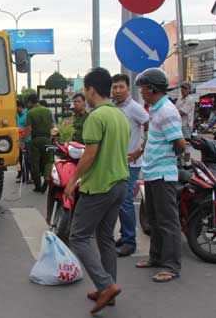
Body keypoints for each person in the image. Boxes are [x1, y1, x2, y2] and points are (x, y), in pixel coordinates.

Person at [64, 68, 129, 314]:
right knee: (104, 238)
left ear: (91, 90)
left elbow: (90, 154)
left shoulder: (96, 117)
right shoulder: (119, 116)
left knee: (78, 237)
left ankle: (106, 285)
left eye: (85, 91)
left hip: (100, 186)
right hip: (120, 184)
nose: (85, 95)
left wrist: (72, 182)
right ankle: (107, 290)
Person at [134, 68, 187, 283]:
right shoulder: (155, 109)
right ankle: (155, 257)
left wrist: (165, 158)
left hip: (164, 175)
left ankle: (171, 266)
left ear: (152, 88)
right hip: (152, 173)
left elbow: (180, 144)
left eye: (144, 88)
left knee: (168, 222)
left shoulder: (167, 111)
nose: (142, 92)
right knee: (154, 220)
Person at [111, 74, 149, 257]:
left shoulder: (135, 108)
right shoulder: (113, 108)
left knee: (126, 201)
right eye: (114, 87)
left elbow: (150, 126)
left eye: (120, 87)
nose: (117, 90)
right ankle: (125, 235)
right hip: (115, 162)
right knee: (118, 201)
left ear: (128, 89)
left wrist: (140, 150)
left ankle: (130, 241)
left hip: (130, 164)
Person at [26, 94, 54, 192]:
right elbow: (52, 127)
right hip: (47, 139)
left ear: (30, 102)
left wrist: (23, 141)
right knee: (48, 161)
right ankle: (46, 179)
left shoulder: (30, 113)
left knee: (35, 163)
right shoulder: (48, 111)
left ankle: (38, 186)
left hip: (36, 140)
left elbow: (29, 130)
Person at [175, 82, 195, 163]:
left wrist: (174, 112)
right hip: (178, 125)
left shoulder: (190, 99)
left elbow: (182, 112)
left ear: (189, 90)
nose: (183, 90)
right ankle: (180, 163)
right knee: (178, 146)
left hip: (186, 126)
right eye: (182, 88)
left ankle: (186, 164)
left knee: (186, 147)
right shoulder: (179, 99)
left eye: (185, 88)